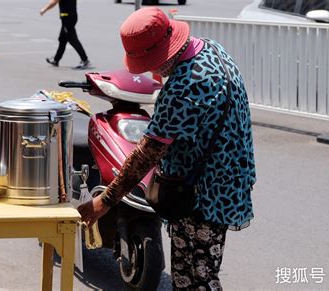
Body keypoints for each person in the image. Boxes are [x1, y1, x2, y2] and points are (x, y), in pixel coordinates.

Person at [78, 7, 256, 290]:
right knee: (200, 272)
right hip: (231, 180)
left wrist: (106, 200)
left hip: (201, 196)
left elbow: (146, 153)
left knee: (196, 279)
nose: (151, 68)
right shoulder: (212, 50)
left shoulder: (184, 88)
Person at [40, 0, 91, 69]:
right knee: (62, 39)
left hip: (67, 18)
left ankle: (85, 60)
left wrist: (45, 9)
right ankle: (56, 60)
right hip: (70, 16)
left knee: (72, 39)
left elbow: (55, 1)